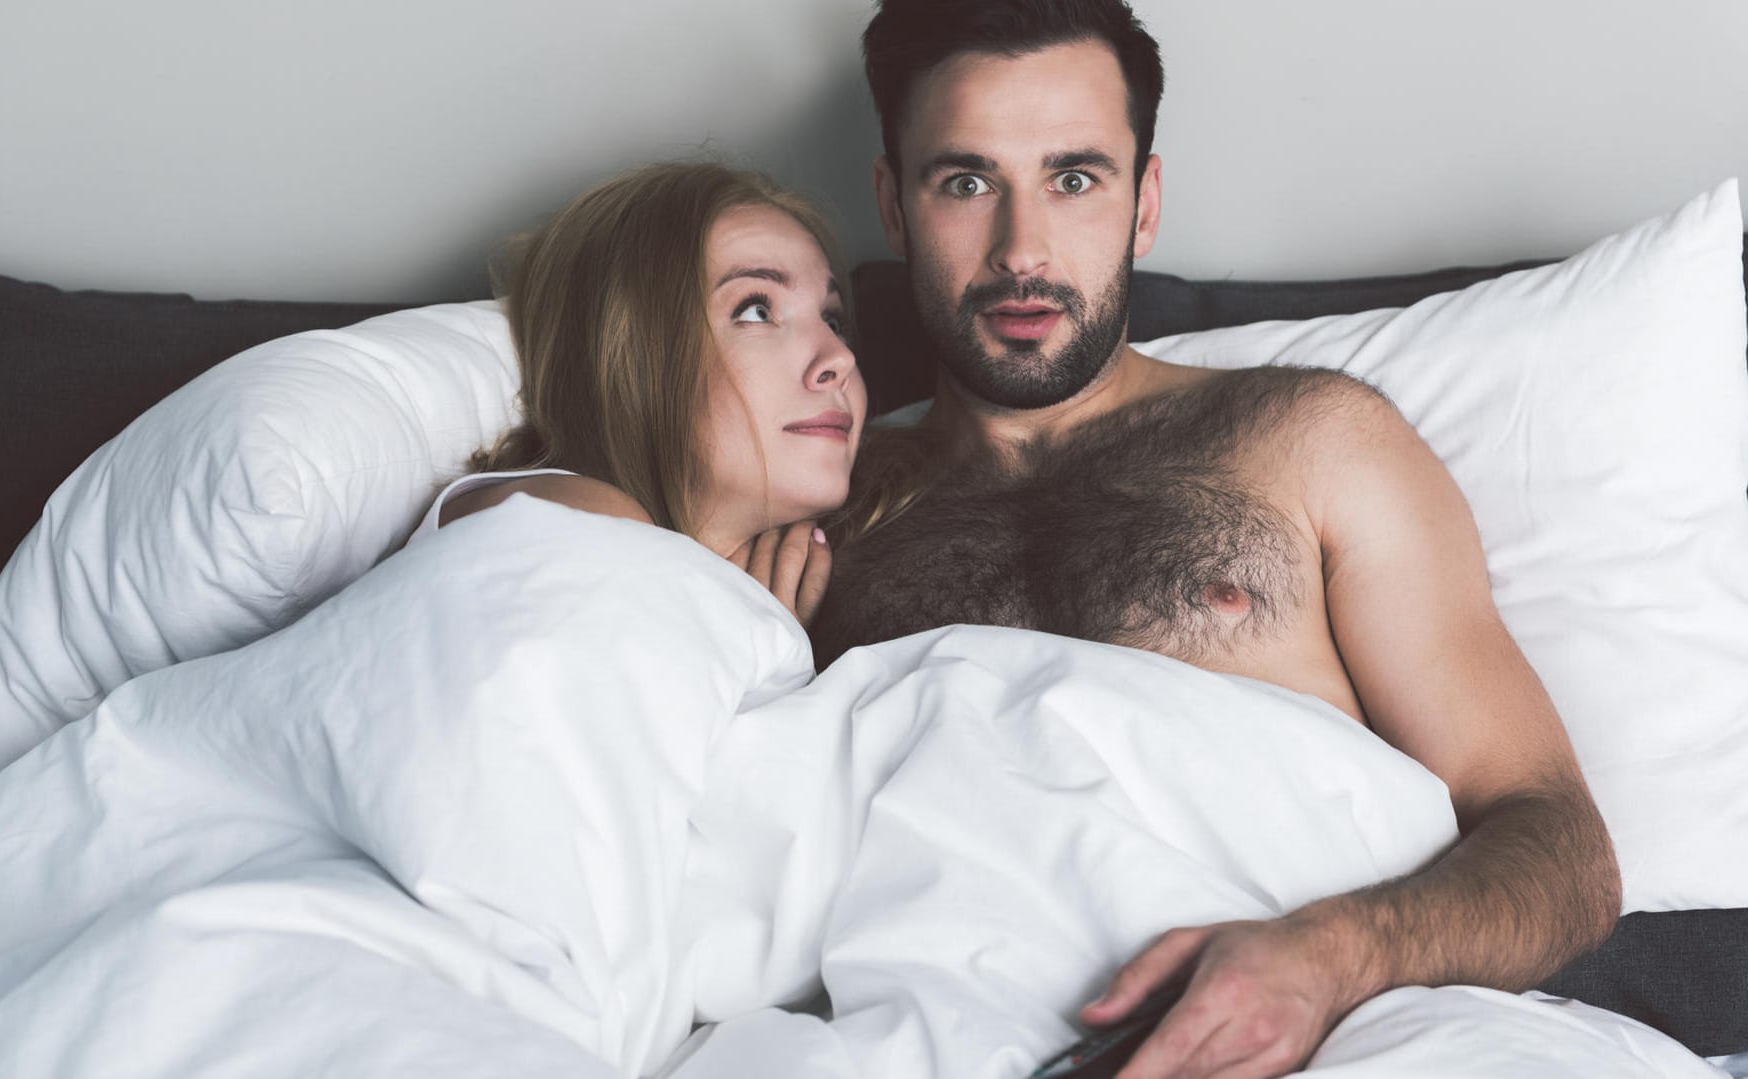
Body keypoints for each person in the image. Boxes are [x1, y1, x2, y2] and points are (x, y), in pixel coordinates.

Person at [813, 3, 1622, 1077]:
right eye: (965, 182)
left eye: (1075, 178)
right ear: (893, 204)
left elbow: (1559, 845)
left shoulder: (1309, 440)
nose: (1021, 251)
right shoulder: (818, 507)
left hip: (1337, 1026)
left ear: (1144, 205)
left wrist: (1329, 958)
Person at [418, 162, 865, 627]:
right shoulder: (561, 513)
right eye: (756, 310)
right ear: (630, 355)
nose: (840, 358)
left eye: (833, 320)